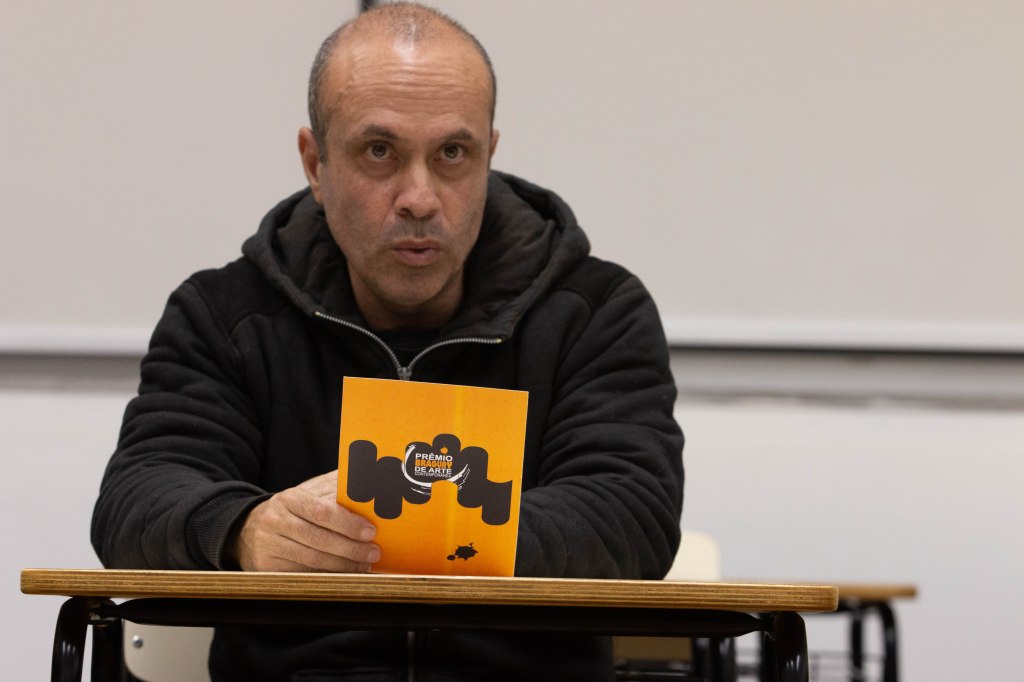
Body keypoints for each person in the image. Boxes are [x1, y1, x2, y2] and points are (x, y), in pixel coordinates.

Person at [91, 3, 684, 680]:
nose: (419, 198)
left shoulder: (597, 312)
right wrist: (243, 532)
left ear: (489, 156)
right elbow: (136, 500)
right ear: (315, 164)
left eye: (453, 154)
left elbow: (633, 516)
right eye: (380, 152)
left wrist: (420, 532)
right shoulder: (224, 314)